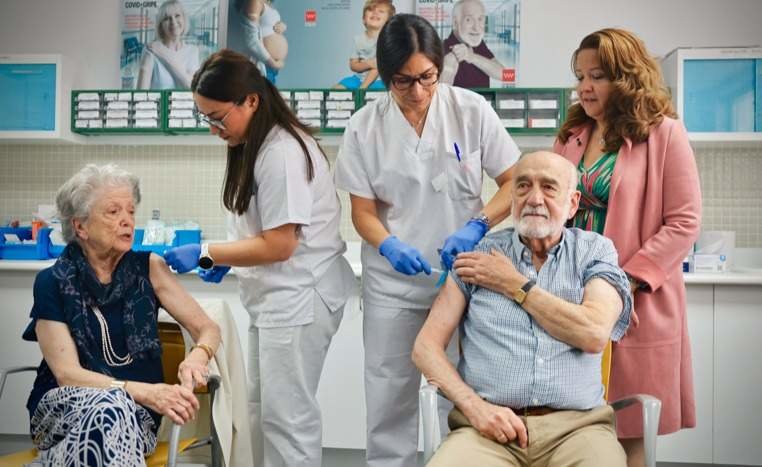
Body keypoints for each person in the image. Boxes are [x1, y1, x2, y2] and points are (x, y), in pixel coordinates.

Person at [334, 13, 520, 467]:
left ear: (438, 67)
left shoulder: (471, 111)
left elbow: (515, 182)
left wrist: (477, 224)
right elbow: (362, 212)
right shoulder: (363, 127)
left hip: (462, 279)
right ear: (384, 75)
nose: (417, 92)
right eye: (402, 81)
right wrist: (389, 246)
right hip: (392, 284)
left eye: (426, 78)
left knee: (458, 391)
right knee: (388, 391)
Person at [162, 49, 356, 467]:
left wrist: (208, 253)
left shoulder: (282, 151)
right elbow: (264, 232)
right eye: (205, 118)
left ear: (251, 100)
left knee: (288, 420)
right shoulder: (253, 141)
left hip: (299, 298)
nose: (214, 129)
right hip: (276, 299)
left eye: (217, 117)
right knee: (261, 412)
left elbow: (280, 244)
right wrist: (228, 258)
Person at [413, 151, 633, 467]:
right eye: (523, 186)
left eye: (549, 187)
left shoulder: (594, 251)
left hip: (578, 429)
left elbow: (594, 333)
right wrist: (475, 408)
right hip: (486, 429)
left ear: (573, 204)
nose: (534, 198)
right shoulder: (479, 254)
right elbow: (425, 348)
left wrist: (515, 284)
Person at [553, 28, 702, 467]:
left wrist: (623, 281)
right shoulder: (573, 134)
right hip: (570, 296)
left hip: (634, 300)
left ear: (626, 77)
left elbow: (684, 221)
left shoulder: (664, 135)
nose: (584, 87)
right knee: (573, 427)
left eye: (597, 75)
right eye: (579, 75)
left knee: (629, 429)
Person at [21, 164, 221, 466]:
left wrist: (198, 356)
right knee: (110, 406)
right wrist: (140, 392)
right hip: (62, 410)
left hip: (137, 417)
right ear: (81, 227)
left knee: (111, 412)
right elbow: (67, 375)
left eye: (130, 211)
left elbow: (208, 328)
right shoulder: (52, 282)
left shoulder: (150, 268)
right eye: (113, 212)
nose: (127, 221)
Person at [439, 0, 505, 88]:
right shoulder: (443, 49)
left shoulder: (477, 44)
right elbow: (441, 94)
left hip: (482, 101)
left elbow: (508, 76)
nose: (476, 28)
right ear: (455, 23)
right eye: (468, 20)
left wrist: (472, 57)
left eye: (480, 19)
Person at [137, 0, 200, 89]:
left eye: (177, 15)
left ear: (184, 19)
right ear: (161, 25)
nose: (173, 22)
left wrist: (163, 55)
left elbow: (192, 87)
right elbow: (141, 95)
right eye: (166, 18)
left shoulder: (193, 50)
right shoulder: (150, 50)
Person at [335, 0, 395, 90]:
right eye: (371, 10)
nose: (375, 12)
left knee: (381, 93)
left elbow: (377, 67)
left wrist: (362, 88)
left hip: (379, 80)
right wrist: (367, 64)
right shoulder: (358, 40)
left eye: (381, 11)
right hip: (358, 79)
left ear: (389, 21)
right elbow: (353, 65)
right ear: (364, 19)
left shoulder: (387, 40)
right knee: (336, 89)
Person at [235, 0, 287, 83]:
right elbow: (251, 41)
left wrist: (283, 26)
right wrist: (273, 63)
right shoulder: (254, 2)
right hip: (262, 66)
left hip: (269, 67)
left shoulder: (267, 3)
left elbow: (266, 24)